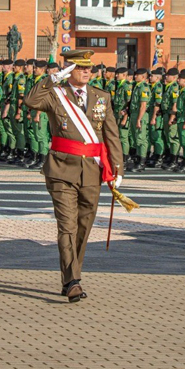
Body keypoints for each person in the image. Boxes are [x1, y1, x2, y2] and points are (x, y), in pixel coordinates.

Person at [24, 49, 124, 302]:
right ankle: (72, 281)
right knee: (67, 226)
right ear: (69, 70)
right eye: (80, 67)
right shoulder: (55, 95)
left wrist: (117, 169)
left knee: (84, 226)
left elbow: (111, 134)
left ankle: (71, 276)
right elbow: (31, 101)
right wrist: (54, 78)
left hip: (92, 171)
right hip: (61, 170)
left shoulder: (101, 97)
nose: (87, 71)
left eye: (89, 67)